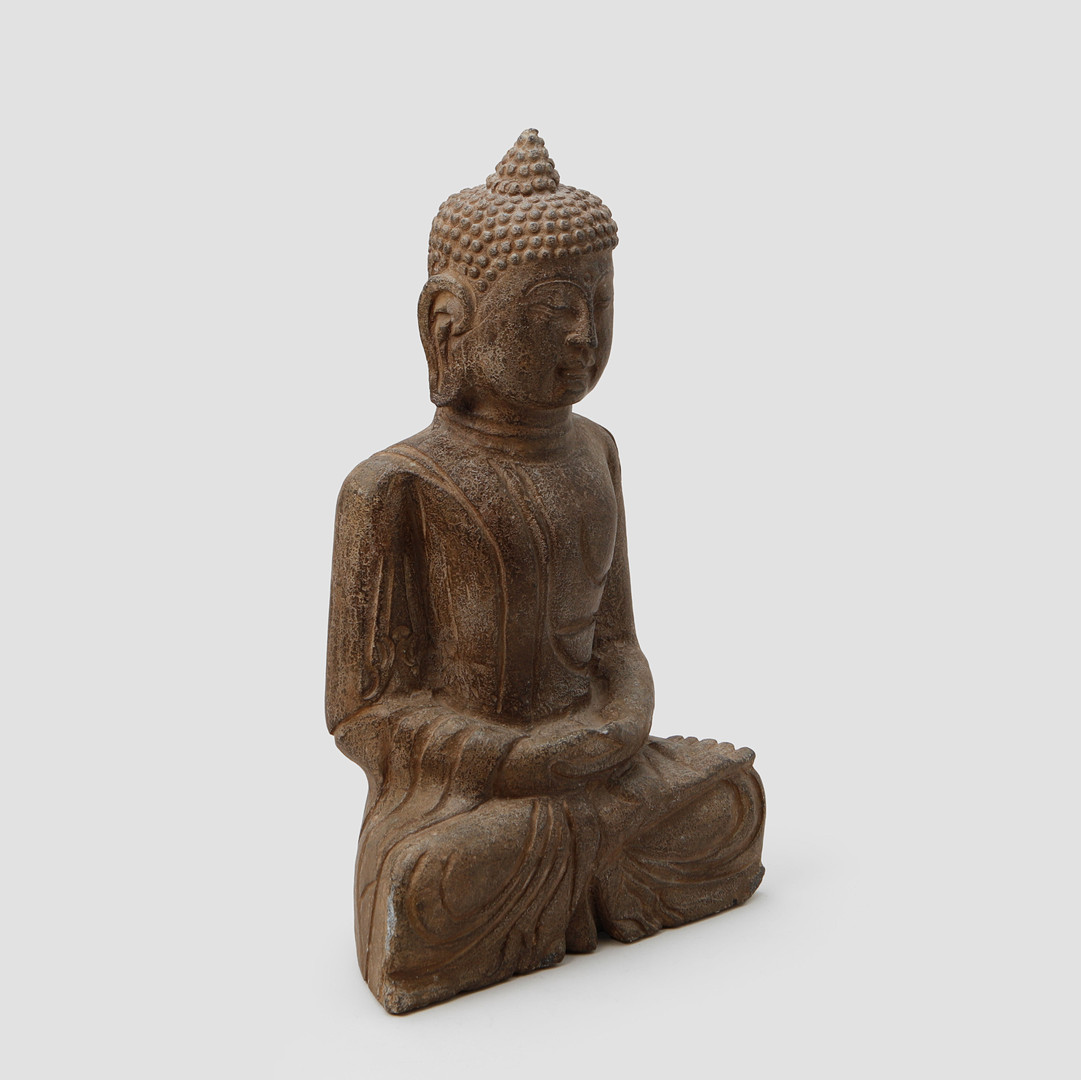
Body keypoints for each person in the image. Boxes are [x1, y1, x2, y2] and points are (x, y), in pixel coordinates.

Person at [326, 131, 765, 1013]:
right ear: (448, 322)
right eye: (551, 309)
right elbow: (362, 713)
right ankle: (569, 873)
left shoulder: (596, 452)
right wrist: (511, 759)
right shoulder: (395, 486)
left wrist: (624, 719)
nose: (583, 334)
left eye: (599, 303)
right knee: (430, 885)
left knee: (730, 801)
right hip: (471, 798)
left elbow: (616, 641)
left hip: (596, 766)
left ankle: (581, 862)